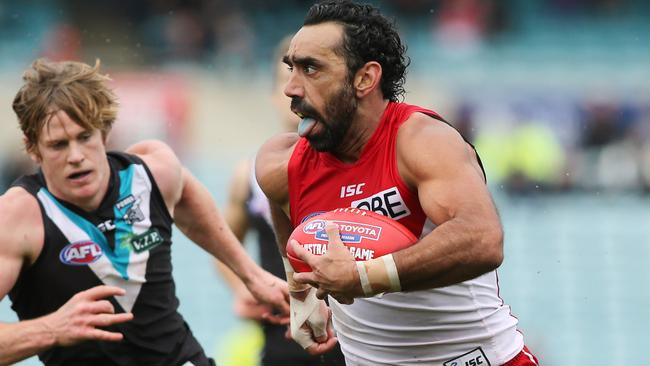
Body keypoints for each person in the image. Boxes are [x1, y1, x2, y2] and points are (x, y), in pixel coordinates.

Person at [255, 1, 540, 365]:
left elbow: (483, 240)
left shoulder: (421, 141)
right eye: (290, 69)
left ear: (365, 78)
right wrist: (301, 295)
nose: (291, 88)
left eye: (311, 69)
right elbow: (289, 228)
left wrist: (365, 277)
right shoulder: (279, 165)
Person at [0, 58, 289, 366]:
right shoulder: (18, 217)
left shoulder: (151, 174)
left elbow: (187, 195)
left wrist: (252, 276)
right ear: (33, 148)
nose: (76, 157)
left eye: (85, 137)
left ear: (104, 132)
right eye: (58, 145)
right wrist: (51, 329)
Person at [216, 36, 345, 365]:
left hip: (357, 342)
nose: (295, 90)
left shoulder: (357, 166)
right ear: (274, 95)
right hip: (285, 343)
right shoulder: (249, 175)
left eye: (310, 75)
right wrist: (244, 285)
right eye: (286, 79)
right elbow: (221, 242)